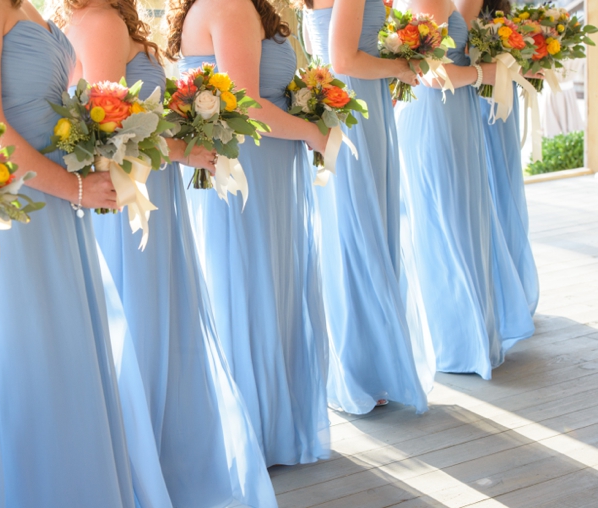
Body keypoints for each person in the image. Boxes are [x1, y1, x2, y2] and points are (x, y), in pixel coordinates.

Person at [51, 1, 277, 506]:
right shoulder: (103, 23)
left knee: (164, 320)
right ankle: (149, 466)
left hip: (154, 197)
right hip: (132, 203)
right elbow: (109, 129)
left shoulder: (110, 20)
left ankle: (168, 460)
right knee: (145, 323)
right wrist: (182, 152)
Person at [0, 0, 140, 505]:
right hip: (15, 211)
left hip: (56, 205)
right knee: (34, 360)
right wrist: (74, 187)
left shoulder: (21, 5)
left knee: (68, 356)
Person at [166, 0, 331, 466]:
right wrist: (312, 133)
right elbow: (250, 106)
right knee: (251, 287)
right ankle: (253, 430)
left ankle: (266, 423)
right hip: (247, 171)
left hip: (261, 165)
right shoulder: (230, 6)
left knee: (263, 286)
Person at [300, 0, 433, 415]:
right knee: (363, 229)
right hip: (356, 108)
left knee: (352, 229)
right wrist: (399, 68)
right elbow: (345, 58)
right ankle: (367, 369)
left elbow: (323, 51)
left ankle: (366, 365)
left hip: (347, 104)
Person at [397, 0, 534, 379]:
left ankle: (467, 337)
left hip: (455, 115)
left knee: (465, 220)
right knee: (446, 224)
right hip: (435, 115)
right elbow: (431, 73)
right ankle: (454, 344)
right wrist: (483, 72)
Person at [457, 0, 539, 315]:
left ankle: (508, 286)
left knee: (500, 184)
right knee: (492, 185)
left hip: (492, 90)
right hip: (479, 90)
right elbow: (457, 45)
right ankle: (502, 288)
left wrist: (525, 60)